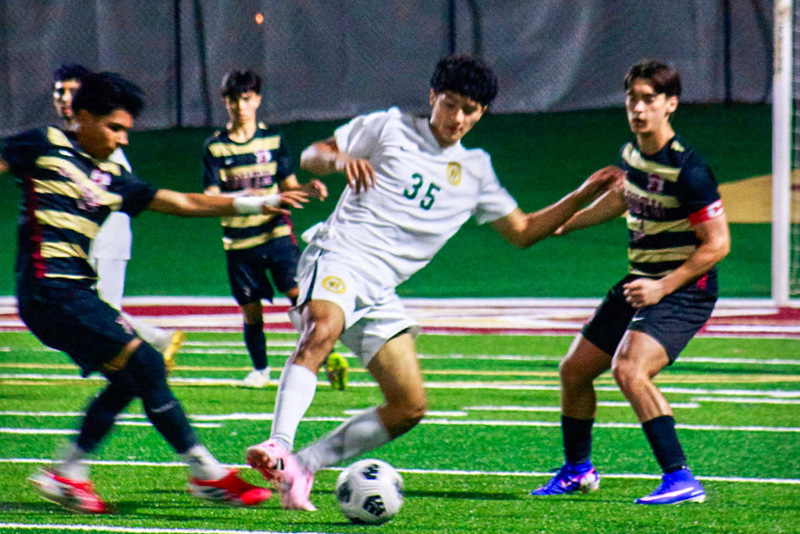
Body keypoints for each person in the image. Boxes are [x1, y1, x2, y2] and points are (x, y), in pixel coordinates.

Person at [244, 54, 622, 511]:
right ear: (432, 98)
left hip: (380, 289)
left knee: (409, 406)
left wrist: (583, 193)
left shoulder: (476, 171)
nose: (457, 117)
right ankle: (279, 445)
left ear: (482, 114)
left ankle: (304, 465)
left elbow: (523, 232)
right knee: (321, 329)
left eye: (470, 110)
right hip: (339, 256)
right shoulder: (389, 128)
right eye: (450, 104)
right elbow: (312, 154)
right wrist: (340, 159)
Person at [0, 72, 309, 513]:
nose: (122, 139)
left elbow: (183, 202)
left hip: (76, 294)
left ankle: (68, 473)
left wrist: (258, 201)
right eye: (114, 128)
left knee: (130, 377)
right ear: (82, 117)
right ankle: (207, 474)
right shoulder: (43, 142)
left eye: (127, 130)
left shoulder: (111, 176)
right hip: (48, 291)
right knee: (146, 360)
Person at [529, 60, 730, 505]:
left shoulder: (690, 171)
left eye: (649, 100)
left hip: (683, 289)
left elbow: (717, 245)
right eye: (632, 99)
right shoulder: (632, 156)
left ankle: (681, 478)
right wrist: (567, 224)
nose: (638, 109)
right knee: (575, 371)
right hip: (641, 280)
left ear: (670, 105)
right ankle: (578, 471)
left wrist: (663, 287)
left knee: (629, 368)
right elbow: (622, 196)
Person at [53, 63, 185, 371]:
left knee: (104, 314)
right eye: (60, 91)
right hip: (85, 240)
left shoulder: (100, 139)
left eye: (73, 91)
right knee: (95, 311)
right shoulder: (68, 139)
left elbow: (116, 191)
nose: (65, 98)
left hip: (108, 237)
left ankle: (148, 357)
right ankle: (156, 343)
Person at [202, 70, 327, 388]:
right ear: (224, 102)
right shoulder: (216, 147)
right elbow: (211, 197)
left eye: (246, 99)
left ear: (257, 100)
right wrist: (249, 196)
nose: (240, 106)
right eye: (234, 100)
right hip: (238, 242)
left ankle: (319, 357)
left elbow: (289, 187)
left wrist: (309, 189)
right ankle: (260, 370)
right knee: (251, 312)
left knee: (298, 295)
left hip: (275, 235)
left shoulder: (273, 141)